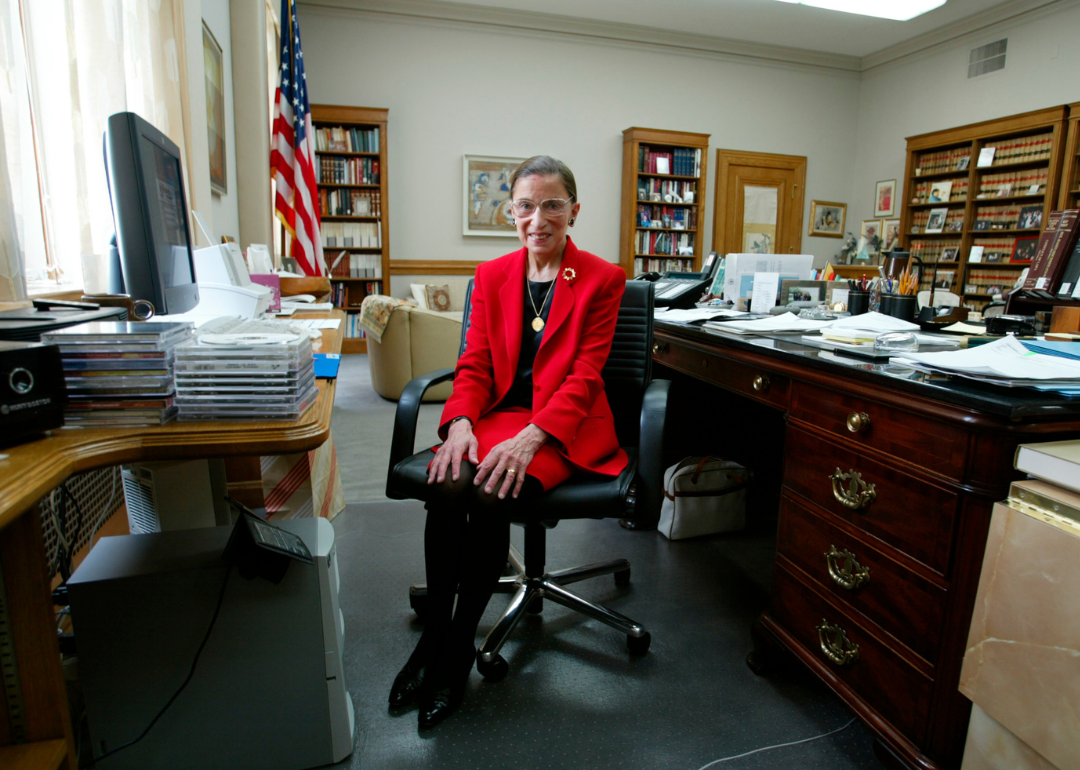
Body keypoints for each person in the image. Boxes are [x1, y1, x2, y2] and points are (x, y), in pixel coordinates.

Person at [388, 155, 628, 728]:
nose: (537, 218)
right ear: (510, 212)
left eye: (551, 205)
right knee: (449, 482)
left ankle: (455, 651)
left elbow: (586, 375)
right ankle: (436, 636)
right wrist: (462, 423)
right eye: (525, 205)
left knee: (492, 492)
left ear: (574, 211)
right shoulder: (493, 276)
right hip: (496, 415)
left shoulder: (601, 278)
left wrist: (533, 436)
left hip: (562, 425)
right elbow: (471, 365)